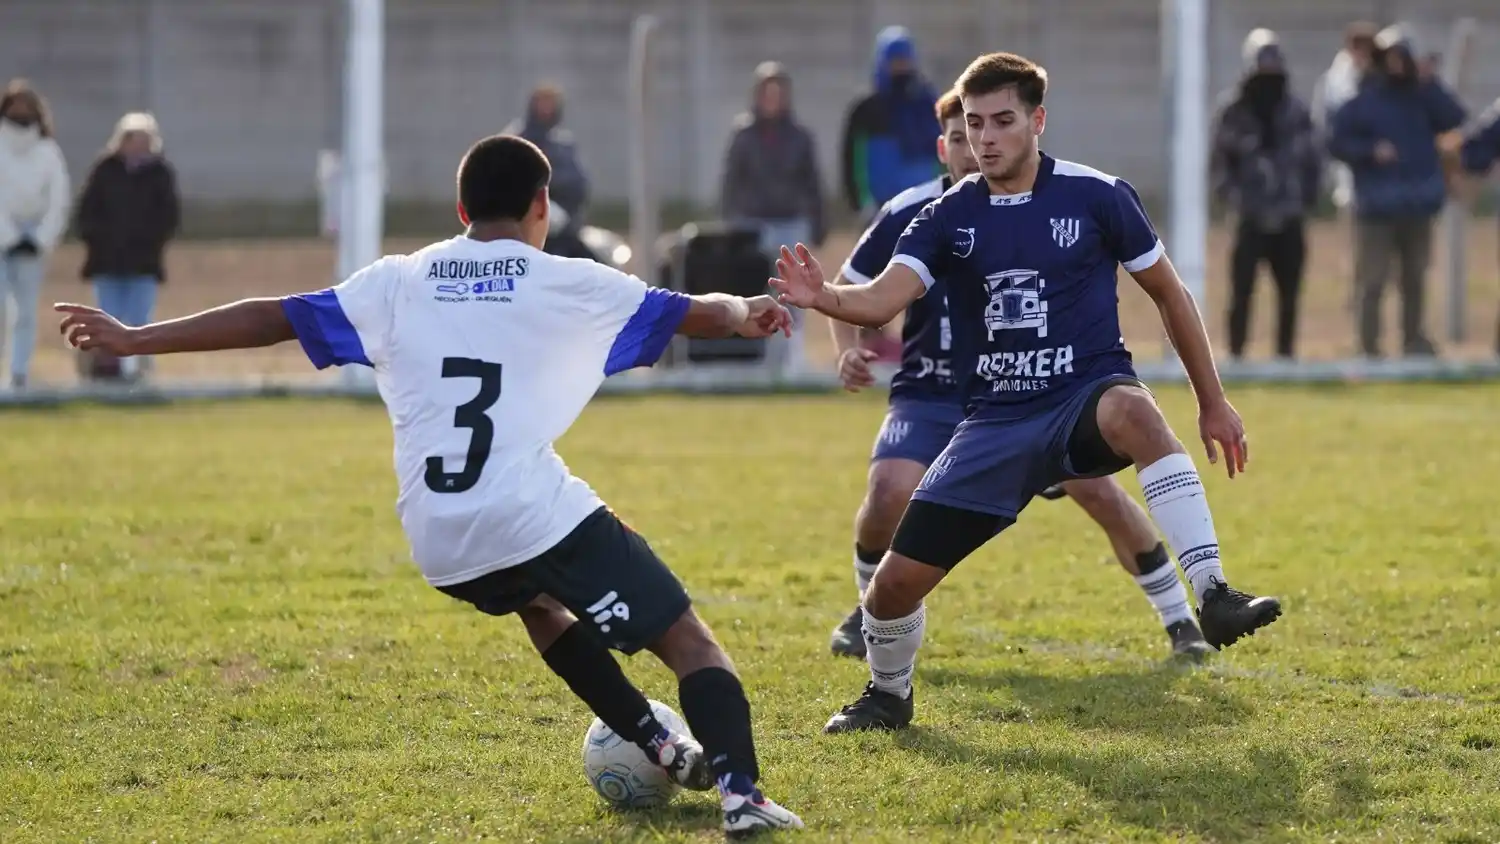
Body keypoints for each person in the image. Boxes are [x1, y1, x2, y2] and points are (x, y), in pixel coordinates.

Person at [55, 134, 803, 837]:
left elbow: (272, 318)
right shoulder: (566, 279)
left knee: (535, 600)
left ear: (461, 211)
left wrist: (136, 337)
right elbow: (694, 315)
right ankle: (742, 793)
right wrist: (747, 312)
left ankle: (659, 745)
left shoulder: (399, 279)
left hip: (440, 538)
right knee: (689, 642)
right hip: (524, 509)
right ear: (542, 206)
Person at [769, 52, 1283, 734]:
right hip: (996, 421)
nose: (985, 138)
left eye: (1002, 121)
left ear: (1037, 121)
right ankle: (889, 696)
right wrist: (825, 297)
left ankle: (1211, 596)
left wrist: (1212, 401)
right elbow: (881, 298)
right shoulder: (949, 214)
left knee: (1133, 410)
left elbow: (1169, 293)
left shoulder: (1098, 195)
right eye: (974, 124)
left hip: (1081, 399)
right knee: (890, 592)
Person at [826, 89, 1212, 663]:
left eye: (990, 128)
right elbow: (860, 287)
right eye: (962, 135)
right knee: (888, 492)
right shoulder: (920, 213)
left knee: (1103, 495)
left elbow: (1153, 289)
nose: (975, 145)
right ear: (943, 148)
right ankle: (868, 613)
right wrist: (846, 352)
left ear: (1028, 129)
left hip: (1031, 394)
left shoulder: (1053, 202)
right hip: (932, 391)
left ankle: (1182, 618)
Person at [1329, 24, 1466, 359]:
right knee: (1372, 281)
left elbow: (1455, 117)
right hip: (1376, 207)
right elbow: (1336, 142)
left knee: (1415, 279)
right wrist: (1369, 151)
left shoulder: (1422, 97)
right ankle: (1369, 346)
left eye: (1402, 57)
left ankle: (1414, 342)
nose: (1396, 64)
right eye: (1389, 57)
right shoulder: (1364, 98)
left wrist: (1430, 82)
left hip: (1417, 205)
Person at [1210, 29, 1322, 361]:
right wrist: (1232, 197)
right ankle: (1237, 353)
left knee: (1289, 292)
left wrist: (1306, 198)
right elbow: (1219, 161)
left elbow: (1313, 158)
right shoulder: (1233, 111)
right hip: (1250, 215)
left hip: (1289, 215)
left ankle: (1285, 355)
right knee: (1242, 289)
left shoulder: (1296, 110)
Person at [721, 61, 826, 373]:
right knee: (755, 286)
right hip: (753, 222)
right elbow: (731, 181)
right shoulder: (743, 135)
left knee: (793, 287)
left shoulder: (799, 137)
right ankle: (755, 353)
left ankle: (792, 351)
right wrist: (732, 223)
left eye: (778, 93)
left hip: (789, 219)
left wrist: (818, 222)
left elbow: (813, 182)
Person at [75, 111, 181, 380]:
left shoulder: (160, 173)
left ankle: (139, 372)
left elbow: (169, 215)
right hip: (107, 259)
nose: (137, 145)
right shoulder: (105, 169)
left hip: (143, 261)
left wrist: (149, 241)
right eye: (132, 138)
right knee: (107, 318)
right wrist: (98, 238)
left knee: (140, 319)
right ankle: (106, 370)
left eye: (144, 139)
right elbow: (87, 211)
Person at [0, 79, 70, 389]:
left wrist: (38, 238)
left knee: (25, 310)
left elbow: (58, 199)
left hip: (32, 241)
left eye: (27, 107)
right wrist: (9, 236)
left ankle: (19, 371)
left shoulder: (48, 152)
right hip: (3, 234)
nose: (20, 113)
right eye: (15, 107)